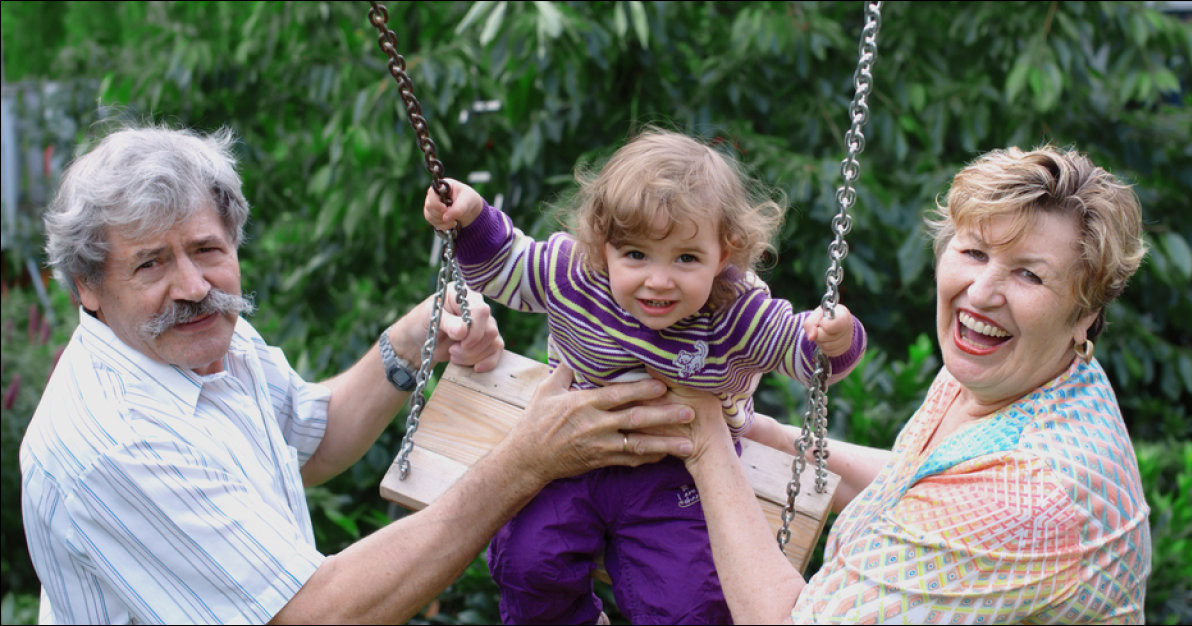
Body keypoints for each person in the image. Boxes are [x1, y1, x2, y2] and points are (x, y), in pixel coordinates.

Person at [20, 124, 698, 625]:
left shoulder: (198, 339)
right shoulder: (113, 440)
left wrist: (416, 337)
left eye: (206, 249)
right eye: (150, 265)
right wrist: (528, 460)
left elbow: (310, 440)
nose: (193, 285)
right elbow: (313, 616)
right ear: (87, 287)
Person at [673, 145, 1153, 623]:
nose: (982, 294)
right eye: (974, 252)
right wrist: (770, 435)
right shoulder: (1022, 373)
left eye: (1029, 274)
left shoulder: (1028, 493)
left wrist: (707, 438)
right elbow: (921, 485)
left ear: (1085, 314)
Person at [422, 128, 867, 624]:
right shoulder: (574, 273)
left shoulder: (735, 313)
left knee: (690, 603)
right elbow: (504, 264)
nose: (659, 279)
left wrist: (833, 337)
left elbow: (802, 355)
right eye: (635, 254)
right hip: (573, 451)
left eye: (686, 258)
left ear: (725, 253)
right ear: (602, 244)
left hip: (680, 473)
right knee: (527, 561)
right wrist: (471, 218)